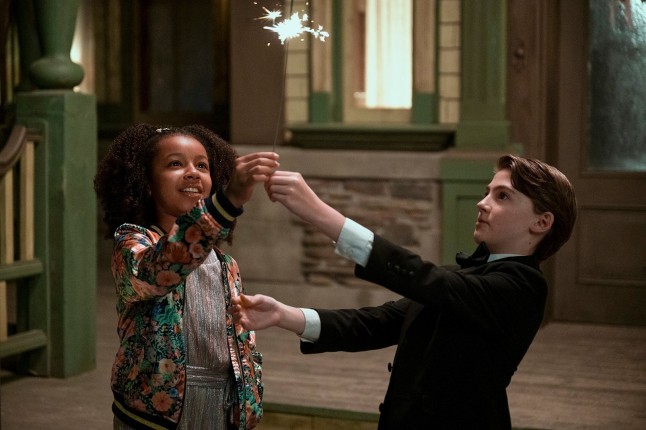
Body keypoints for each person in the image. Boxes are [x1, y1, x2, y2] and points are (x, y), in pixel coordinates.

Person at [230, 155, 577, 430]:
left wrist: (322, 215)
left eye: (502, 196)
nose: (482, 203)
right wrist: (283, 315)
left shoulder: (523, 286)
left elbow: (425, 279)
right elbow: (378, 322)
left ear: (541, 222)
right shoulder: (464, 276)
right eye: (487, 192)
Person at [94, 124, 279, 430]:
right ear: (146, 183)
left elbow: (241, 347)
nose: (193, 173)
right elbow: (161, 271)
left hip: (222, 409)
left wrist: (250, 401)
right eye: (175, 164)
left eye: (202, 166)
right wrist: (228, 201)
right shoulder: (133, 244)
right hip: (155, 417)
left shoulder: (226, 264)